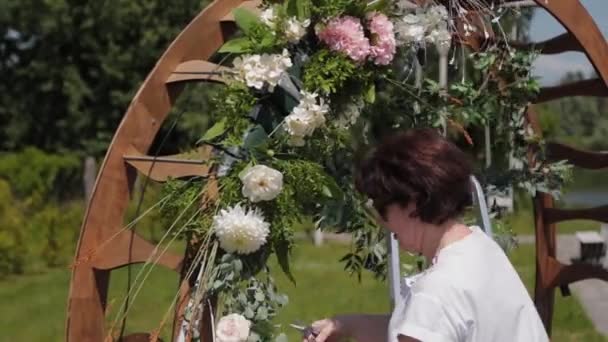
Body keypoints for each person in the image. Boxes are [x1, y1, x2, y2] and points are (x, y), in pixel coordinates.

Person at [303, 129, 549, 342]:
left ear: (412, 204)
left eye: (381, 206)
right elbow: (427, 327)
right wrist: (348, 325)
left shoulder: (436, 291)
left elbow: (430, 316)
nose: (380, 220)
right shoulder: (480, 248)